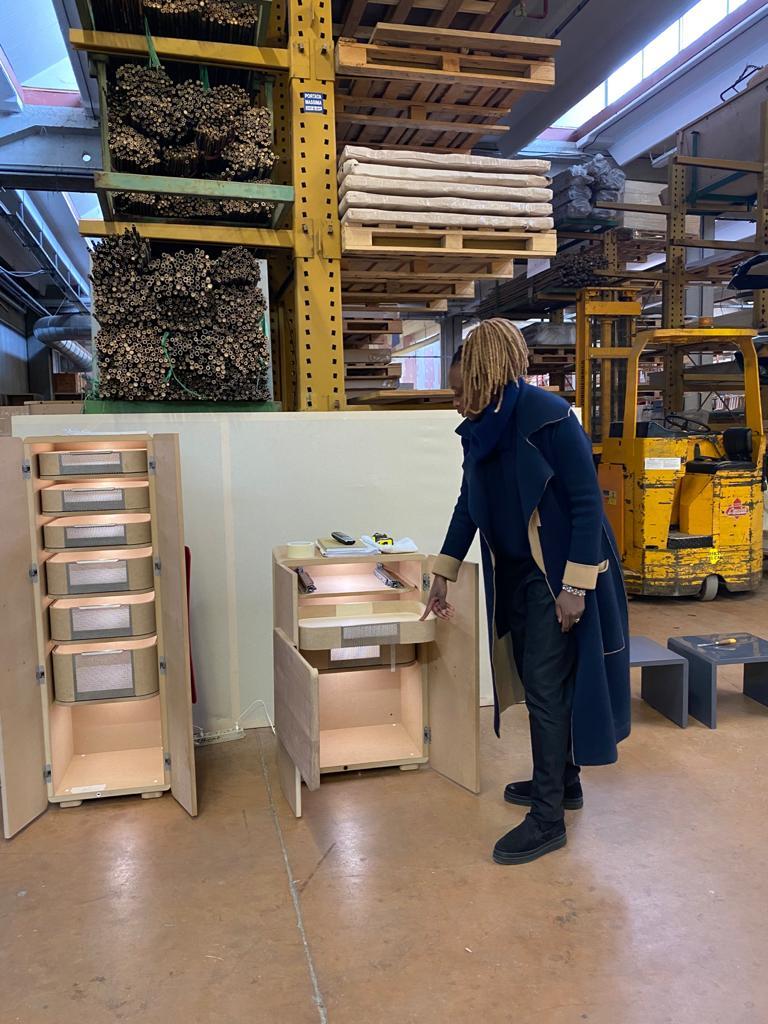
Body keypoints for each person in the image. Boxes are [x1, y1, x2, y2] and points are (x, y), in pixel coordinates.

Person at [424, 318, 630, 866]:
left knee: (544, 687)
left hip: (557, 576)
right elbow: (469, 503)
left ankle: (547, 818)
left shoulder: (550, 419)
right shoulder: (480, 430)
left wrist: (574, 588)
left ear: (487, 376)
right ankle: (563, 783)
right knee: (542, 681)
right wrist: (442, 569)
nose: (453, 399)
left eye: (459, 388)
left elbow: (589, 505)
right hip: (516, 572)